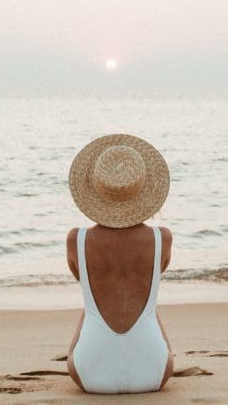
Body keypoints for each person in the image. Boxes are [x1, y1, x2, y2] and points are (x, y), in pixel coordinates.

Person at [65, 133, 175, 394]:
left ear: (94, 190)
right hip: (154, 371)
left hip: (91, 374)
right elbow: (155, 273)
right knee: (149, 304)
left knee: (90, 306)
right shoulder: (162, 238)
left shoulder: (76, 239)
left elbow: (83, 280)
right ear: (143, 189)